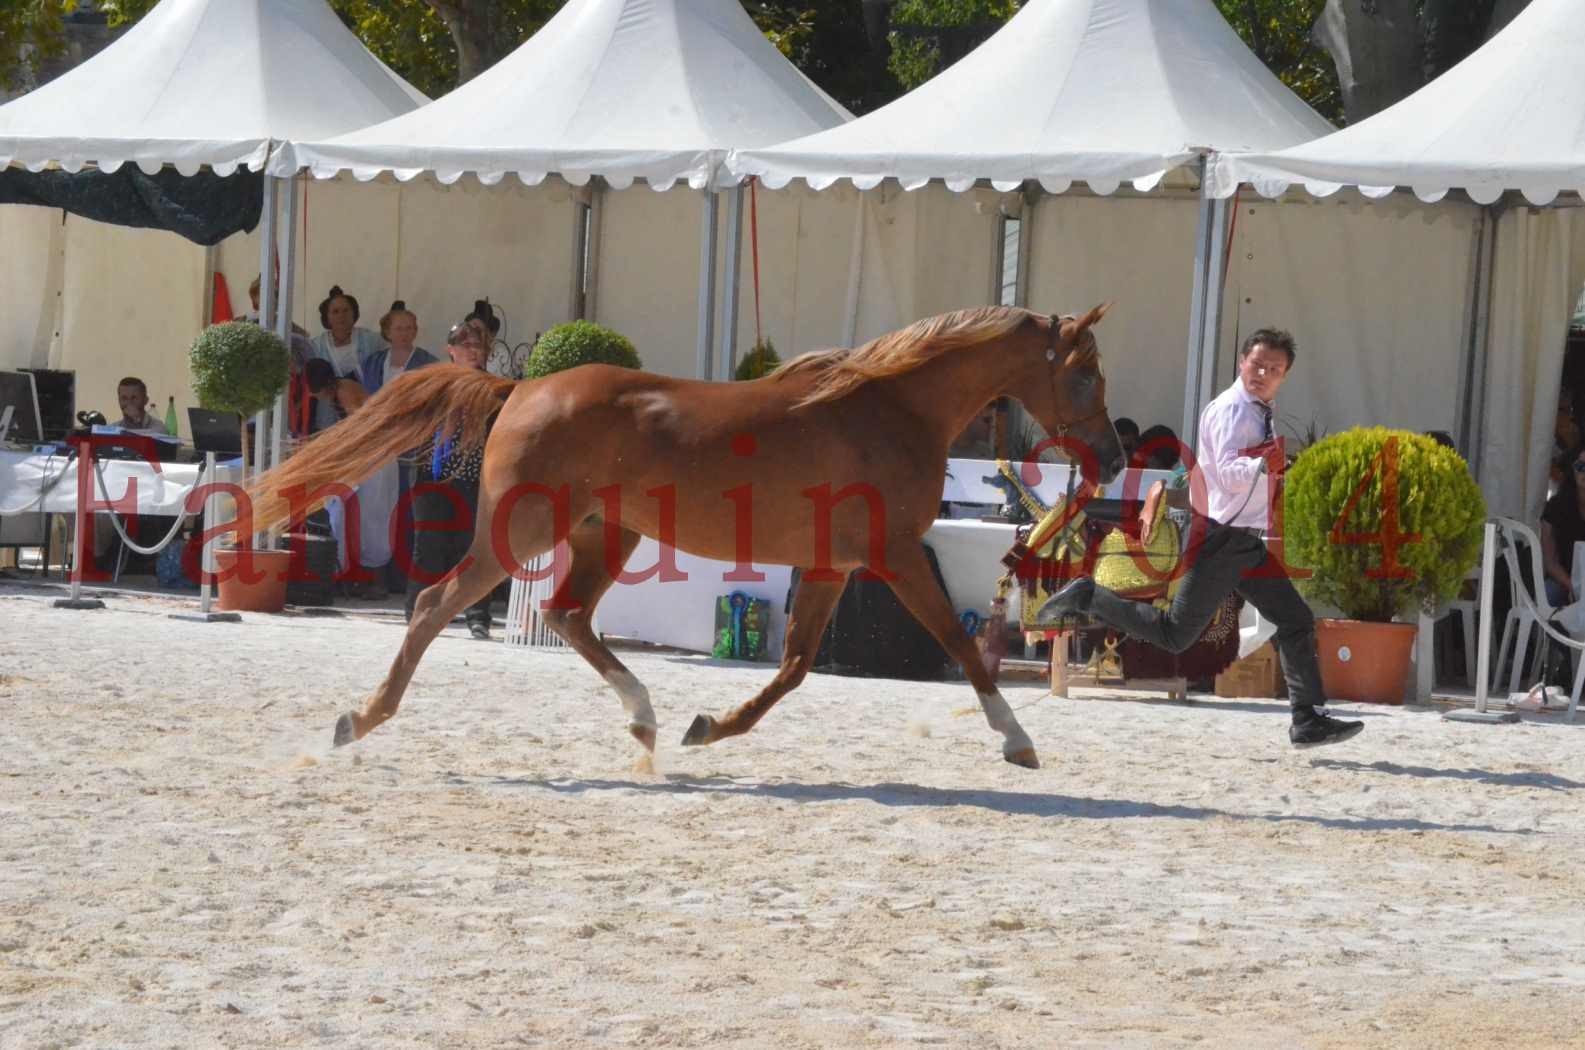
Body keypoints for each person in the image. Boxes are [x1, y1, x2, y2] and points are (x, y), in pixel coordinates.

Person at [1037, 328, 1365, 749]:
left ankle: (1307, 719)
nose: (1264, 373)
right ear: (1242, 362)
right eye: (1258, 364)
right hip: (1219, 538)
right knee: (1175, 634)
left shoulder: (1255, 409)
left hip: (1240, 540)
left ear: (1285, 376)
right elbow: (1225, 474)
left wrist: (1269, 466)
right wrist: (1266, 465)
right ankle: (1088, 597)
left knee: (1296, 619)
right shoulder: (1235, 411)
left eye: (1275, 369)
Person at [405, 320, 497, 640]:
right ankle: (419, 610)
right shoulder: (435, 382)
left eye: (480, 346)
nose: (474, 351)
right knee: (427, 545)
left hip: (476, 477)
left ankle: (477, 615)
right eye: (467, 345)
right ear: (451, 350)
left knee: (473, 548)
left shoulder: (493, 387)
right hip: (433, 474)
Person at [361, 301, 440, 593]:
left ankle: (405, 578)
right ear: (387, 331)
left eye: (410, 328)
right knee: (377, 512)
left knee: (407, 513)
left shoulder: (428, 362)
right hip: (379, 449)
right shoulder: (372, 361)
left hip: (412, 448)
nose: (405, 333)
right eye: (399, 328)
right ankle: (376, 574)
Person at [1541, 443, 1585, 609]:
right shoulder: (1556, 507)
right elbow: (1550, 561)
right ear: (1572, 470)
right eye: (1580, 466)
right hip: (1563, 580)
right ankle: (1543, 635)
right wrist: (1571, 585)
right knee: (1548, 593)